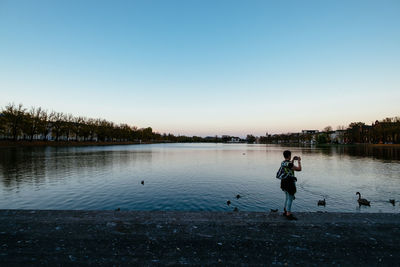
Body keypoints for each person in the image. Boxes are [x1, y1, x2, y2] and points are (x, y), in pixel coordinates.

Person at [279, 150, 301, 220]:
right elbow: (299, 169)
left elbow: (289, 166)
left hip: (283, 182)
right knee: (290, 198)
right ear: (289, 156)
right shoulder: (290, 164)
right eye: (290, 155)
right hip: (290, 183)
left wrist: (293, 160)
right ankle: (288, 213)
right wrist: (299, 161)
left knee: (287, 197)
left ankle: (285, 211)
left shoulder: (283, 163)